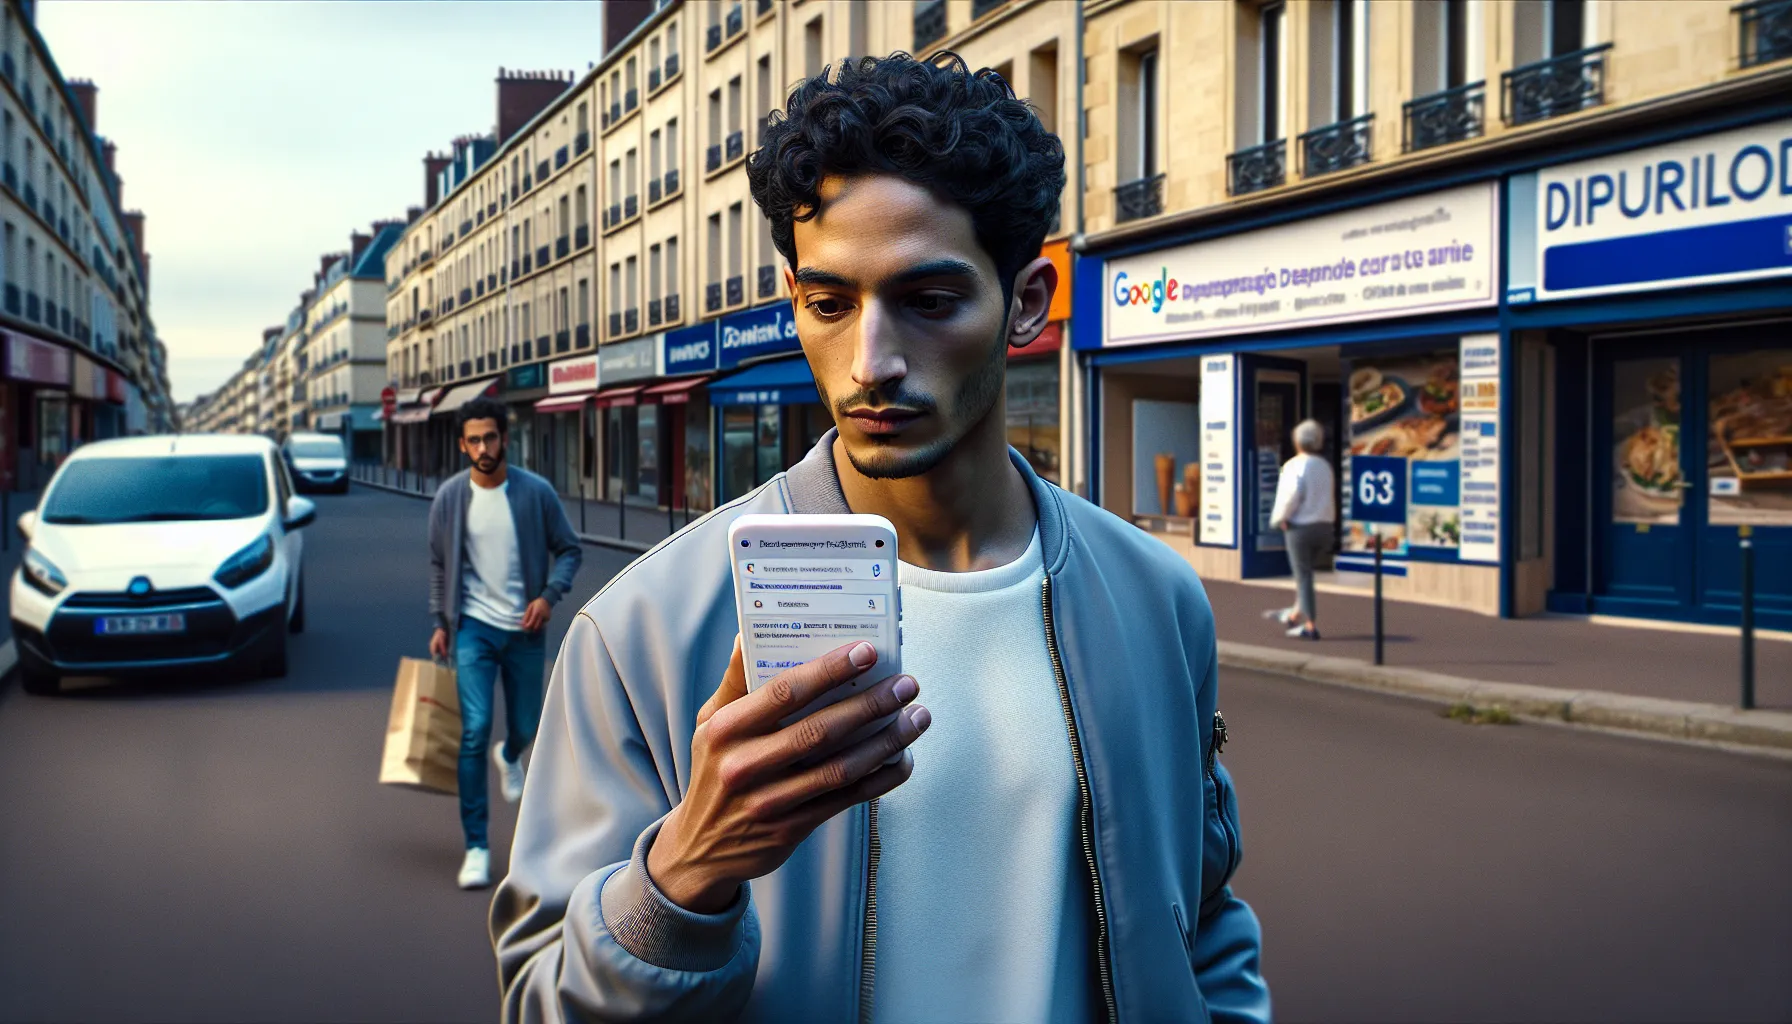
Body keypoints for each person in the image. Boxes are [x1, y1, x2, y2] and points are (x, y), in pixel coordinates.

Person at [491, 53, 1269, 1022]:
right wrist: (687, 870)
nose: (872, 362)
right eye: (829, 303)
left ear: (1027, 301)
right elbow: (539, 1001)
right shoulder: (641, 628)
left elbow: (1201, 921)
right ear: (794, 298)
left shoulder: (1155, 597)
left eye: (928, 301)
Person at [428, 395, 582, 890]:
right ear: (463, 445)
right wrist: (440, 621)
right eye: (473, 440)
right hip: (472, 628)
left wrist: (547, 597)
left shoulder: (535, 492)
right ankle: (476, 846)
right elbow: (438, 564)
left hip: (526, 629)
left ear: (504, 439)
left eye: (490, 437)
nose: (483, 447)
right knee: (474, 730)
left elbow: (569, 550)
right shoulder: (450, 499)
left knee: (524, 725)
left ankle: (509, 752)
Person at [1266, 419, 1335, 640]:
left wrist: (1279, 519)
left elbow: (1290, 496)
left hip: (1301, 529)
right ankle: (1295, 615)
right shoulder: (1325, 466)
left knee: (1303, 576)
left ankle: (1311, 626)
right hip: (1325, 527)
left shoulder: (1295, 465)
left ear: (1297, 441)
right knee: (1305, 575)